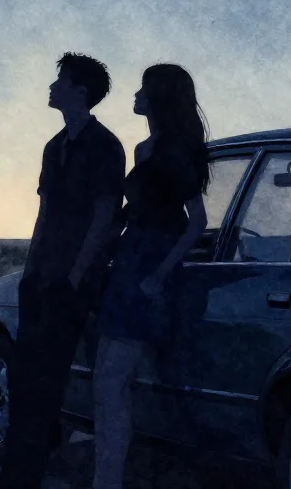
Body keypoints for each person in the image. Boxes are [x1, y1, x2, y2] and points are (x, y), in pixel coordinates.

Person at [0, 52, 127, 489]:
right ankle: (16, 473)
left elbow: (104, 216)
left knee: (48, 382)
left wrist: (74, 278)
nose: (51, 87)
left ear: (79, 92)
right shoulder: (54, 146)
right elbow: (44, 214)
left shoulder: (105, 146)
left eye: (59, 81)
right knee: (26, 380)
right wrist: (30, 272)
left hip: (72, 283)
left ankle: (23, 478)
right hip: (41, 279)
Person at [91, 63, 211, 489]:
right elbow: (136, 210)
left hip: (149, 270)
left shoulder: (175, 153)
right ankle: (105, 478)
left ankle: (108, 482)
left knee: (112, 383)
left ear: (159, 97)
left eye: (143, 89)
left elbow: (196, 221)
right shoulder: (145, 149)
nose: (136, 95)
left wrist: (159, 276)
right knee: (105, 384)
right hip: (129, 264)